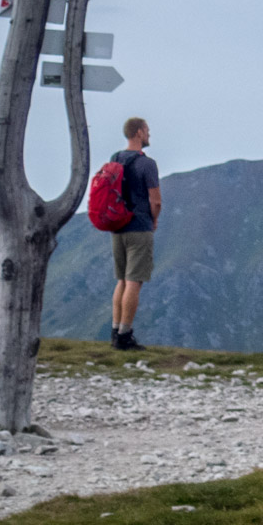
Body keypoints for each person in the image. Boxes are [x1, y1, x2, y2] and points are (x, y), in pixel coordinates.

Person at [109, 116, 162, 350]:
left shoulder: (115, 159)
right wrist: (154, 220)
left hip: (118, 226)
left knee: (121, 280)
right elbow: (156, 200)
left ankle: (115, 331)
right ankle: (125, 334)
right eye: (147, 130)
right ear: (139, 132)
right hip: (139, 226)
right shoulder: (147, 164)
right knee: (134, 281)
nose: (149, 134)